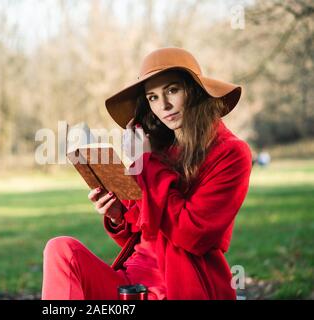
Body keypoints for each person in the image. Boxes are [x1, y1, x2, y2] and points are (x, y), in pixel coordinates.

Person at [41, 47, 252, 300]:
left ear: (194, 90)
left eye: (172, 90)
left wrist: (146, 161)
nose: (163, 105)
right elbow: (141, 233)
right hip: (130, 283)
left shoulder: (231, 153)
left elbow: (192, 235)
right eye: (152, 97)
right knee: (61, 249)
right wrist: (118, 216)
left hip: (180, 285)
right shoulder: (155, 150)